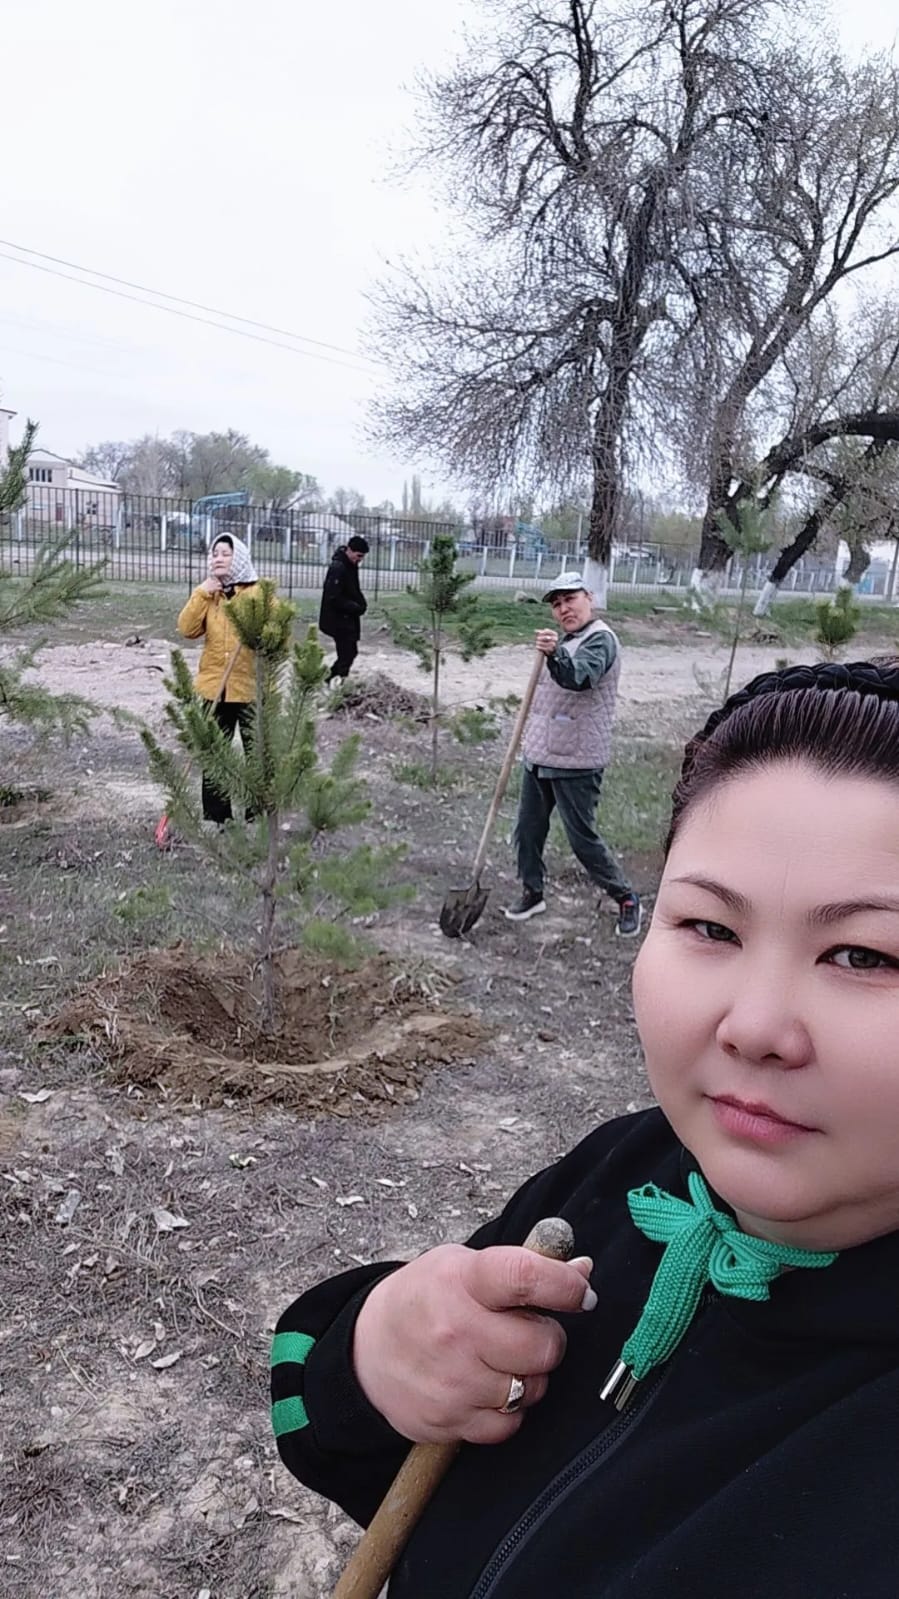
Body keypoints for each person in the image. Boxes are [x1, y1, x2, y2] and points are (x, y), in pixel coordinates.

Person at [270, 659, 899, 1598]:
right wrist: (378, 1352)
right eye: (709, 928)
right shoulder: (622, 1175)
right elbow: (348, 1444)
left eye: (862, 953)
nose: (753, 1026)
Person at [503, 570, 640, 936]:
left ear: (589, 598)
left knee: (582, 839)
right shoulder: (568, 639)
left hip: (577, 760)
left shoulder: (601, 641)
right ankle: (533, 892)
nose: (564, 608)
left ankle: (625, 897)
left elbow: (579, 677)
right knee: (528, 830)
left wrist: (553, 655)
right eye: (557, 603)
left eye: (571, 599)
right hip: (541, 753)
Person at [176, 532, 260, 823]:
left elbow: (278, 636)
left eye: (225, 553)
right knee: (214, 755)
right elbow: (187, 629)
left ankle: (256, 819)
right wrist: (202, 591)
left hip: (251, 688)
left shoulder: (257, 593)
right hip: (215, 688)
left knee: (258, 756)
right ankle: (216, 819)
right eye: (215, 553)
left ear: (239, 557)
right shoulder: (210, 595)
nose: (218, 558)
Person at [319, 534, 370, 681]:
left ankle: (333, 678)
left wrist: (361, 603)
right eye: (358, 555)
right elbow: (333, 597)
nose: (360, 559)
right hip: (338, 620)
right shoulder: (338, 567)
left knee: (350, 652)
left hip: (347, 619)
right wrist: (354, 607)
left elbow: (352, 589)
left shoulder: (350, 565)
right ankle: (335, 679)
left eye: (362, 557)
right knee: (347, 653)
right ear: (349, 550)